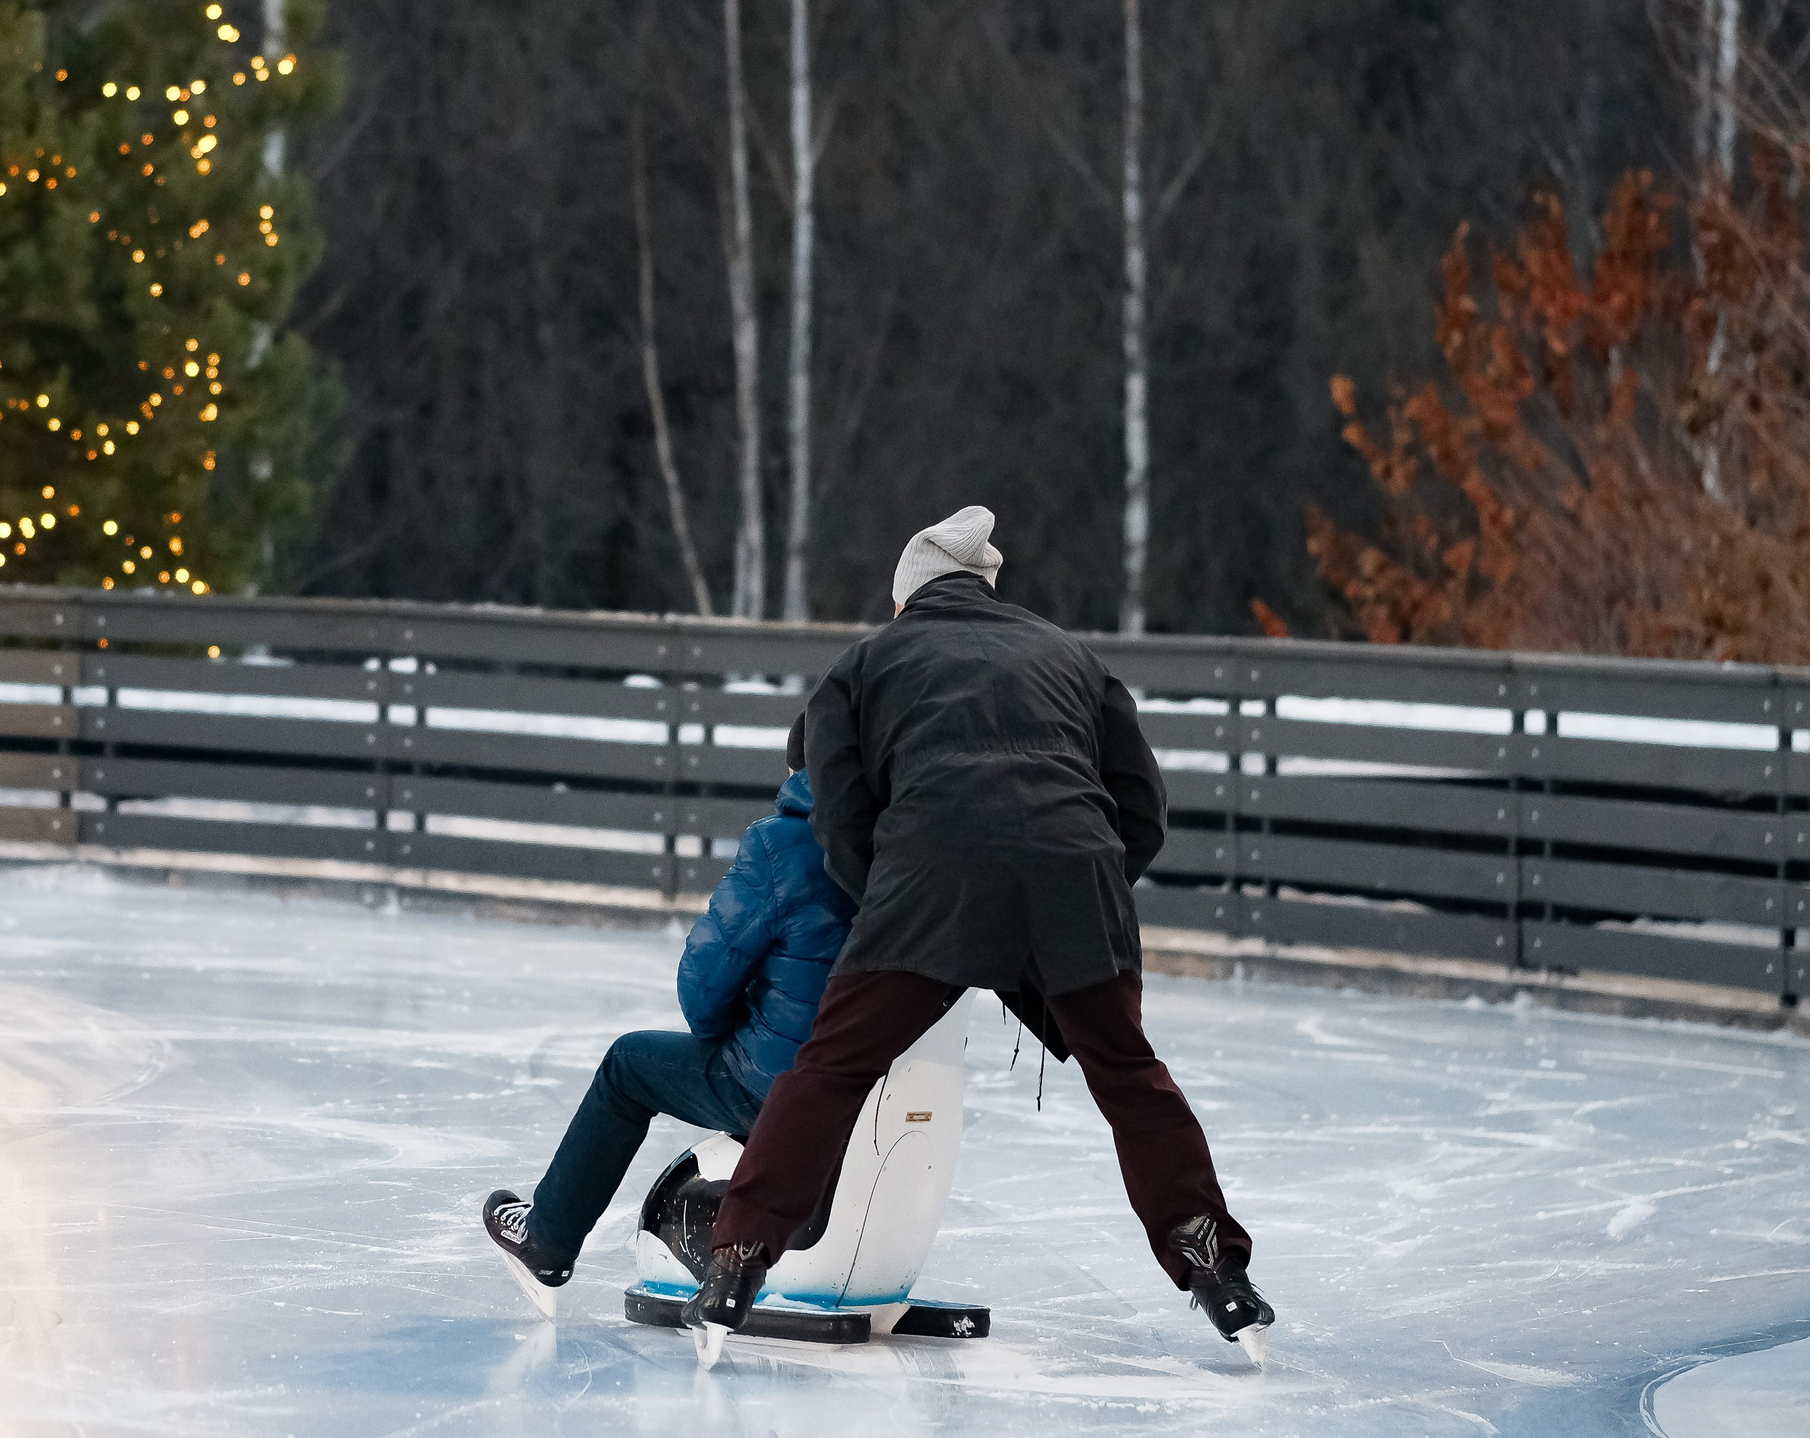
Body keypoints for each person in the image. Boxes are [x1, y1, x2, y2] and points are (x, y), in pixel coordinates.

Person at [683, 505, 1274, 1355]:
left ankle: (737, 1261)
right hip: (1076, 881)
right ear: (985, 590)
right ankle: (1216, 1267)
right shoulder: (1071, 656)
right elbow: (1143, 808)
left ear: (906, 598)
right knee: (1130, 1077)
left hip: (928, 886)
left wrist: (892, 898)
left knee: (831, 1066)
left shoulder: (864, 663)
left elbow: (838, 814)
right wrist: (1079, 889)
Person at [483, 714, 855, 1315]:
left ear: (797, 769)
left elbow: (706, 979)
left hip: (782, 1084)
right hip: (876, 1080)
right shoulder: (905, 847)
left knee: (628, 1065)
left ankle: (548, 1239)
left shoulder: (781, 846)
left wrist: (720, 1038)